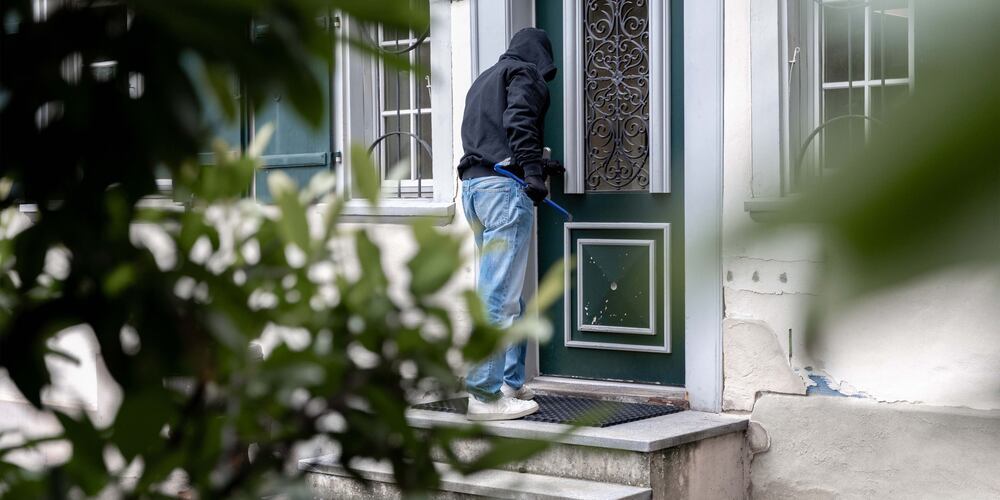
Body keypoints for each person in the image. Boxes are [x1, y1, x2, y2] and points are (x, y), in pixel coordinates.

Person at [457, 28, 563, 421]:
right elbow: (519, 119)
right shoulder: (525, 74)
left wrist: (540, 164)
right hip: (504, 194)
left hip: (474, 190)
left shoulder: (484, 80)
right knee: (499, 295)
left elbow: (491, 138)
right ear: (539, 57)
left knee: (503, 291)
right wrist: (534, 172)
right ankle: (484, 396)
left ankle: (510, 382)